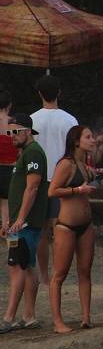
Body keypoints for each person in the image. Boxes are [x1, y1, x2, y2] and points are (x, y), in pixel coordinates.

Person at [1, 114, 49, 333]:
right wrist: (10, 220)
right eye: (8, 132)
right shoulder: (25, 153)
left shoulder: (33, 153)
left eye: (15, 132)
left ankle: (9, 318)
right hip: (18, 223)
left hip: (26, 223)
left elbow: (33, 186)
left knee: (18, 264)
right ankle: (28, 316)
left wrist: (20, 219)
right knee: (26, 265)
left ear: (28, 131)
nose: (11, 137)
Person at [48, 125, 97, 333]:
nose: (92, 140)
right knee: (59, 274)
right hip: (66, 226)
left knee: (85, 271)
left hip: (85, 225)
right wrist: (78, 189)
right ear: (76, 141)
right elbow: (52, 191)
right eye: (88, 137)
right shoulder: (66, 164)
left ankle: (86, 316)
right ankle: (58, 321)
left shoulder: (83, 162)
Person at [31, 75, 78, 286]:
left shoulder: (31, 120)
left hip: (39, 179)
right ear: (59, 92)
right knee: (61, 228)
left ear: (40, 93)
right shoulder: (70, 120)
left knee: (40, 230)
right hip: (64, 179)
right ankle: (59, 272)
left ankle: (43, 274)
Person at [0, 88, 16, 233]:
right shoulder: (13, 124)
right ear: (9, 105)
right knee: (7, 205)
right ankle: (10, 237)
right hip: (11, 169)